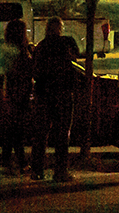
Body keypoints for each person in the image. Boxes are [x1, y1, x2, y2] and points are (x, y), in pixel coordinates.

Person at [30, 17, 80, 182]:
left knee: (40, 134)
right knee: (62, 133)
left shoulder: (41, 47)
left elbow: (36, 72)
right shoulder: (66, 44)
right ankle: (60, 170)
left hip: (43, 93)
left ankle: (37, 170)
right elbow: (74, 61)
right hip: (63, 94)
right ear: (60, 28)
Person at [1, 18, 34, 175]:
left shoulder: (9, 51)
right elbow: (24, 72)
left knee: (11, 129)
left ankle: (7, 160)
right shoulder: (20, 52)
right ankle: (21, 162)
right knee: (17, 130)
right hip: (20, 94)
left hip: (13, 93)